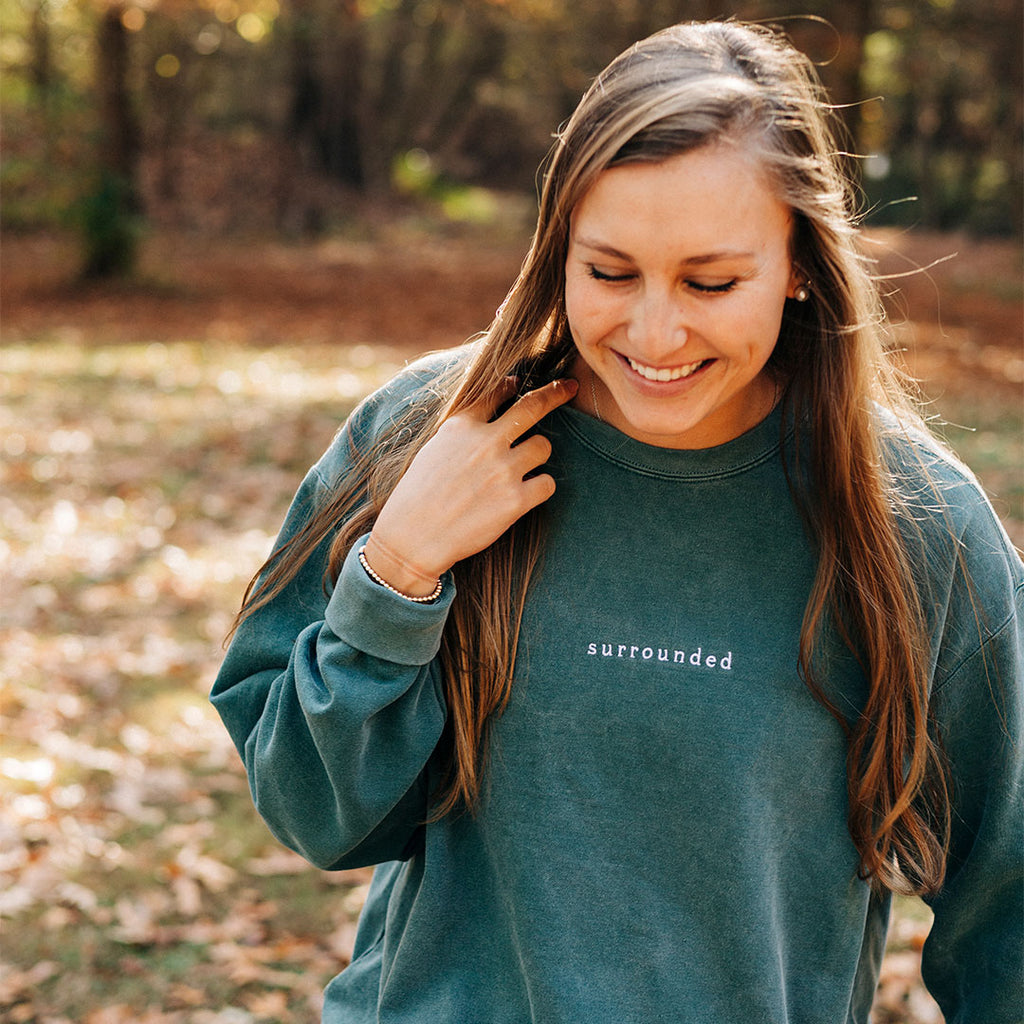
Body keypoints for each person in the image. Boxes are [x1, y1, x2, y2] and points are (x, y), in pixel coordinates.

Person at [211, 20, 1022, 1023]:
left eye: (710, 282)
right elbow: (309, 814)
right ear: (557, 253)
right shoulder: (430, 436)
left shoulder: (915, 525)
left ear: (801, 264)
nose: (652, 332)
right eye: (607, 272)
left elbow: (1007, 900)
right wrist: (399, 570)